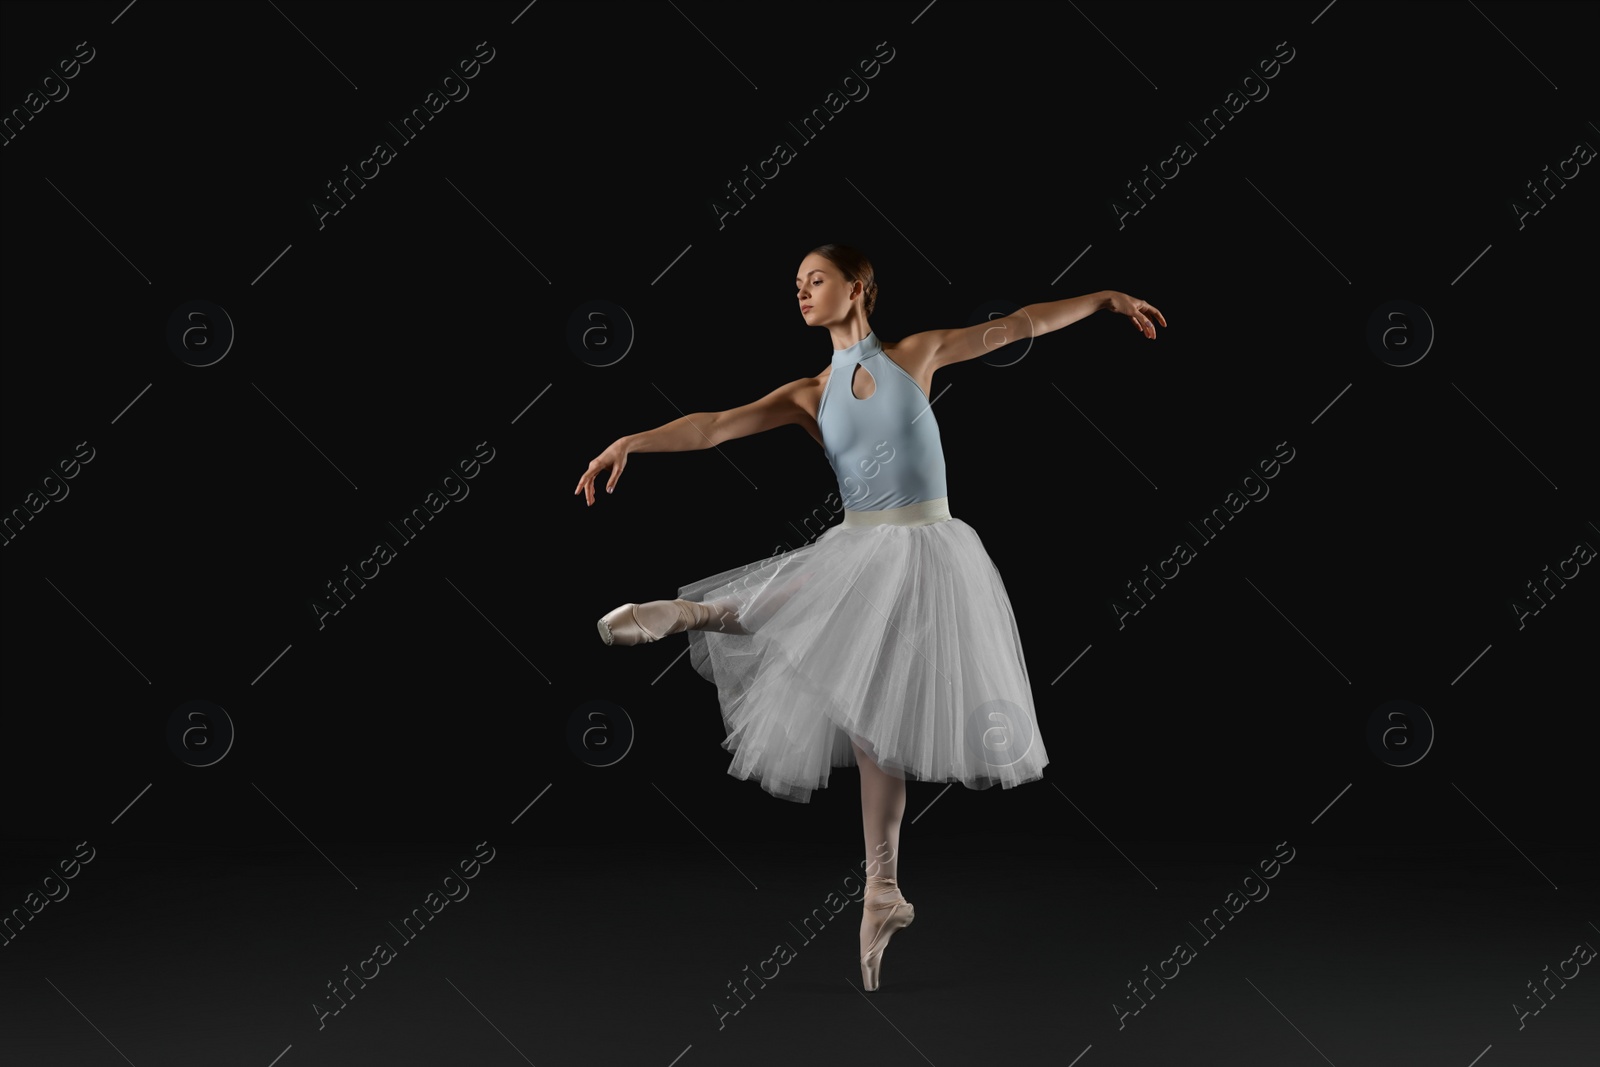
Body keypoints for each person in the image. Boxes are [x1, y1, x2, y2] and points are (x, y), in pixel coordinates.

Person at [574, 243, 1165, 990]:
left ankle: (880, 887)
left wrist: (1106, 298)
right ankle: (689, 612)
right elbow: (715, 425)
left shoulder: (916, 356)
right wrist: (634, 440)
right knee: (844, 662)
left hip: (929, 546)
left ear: (857, 287)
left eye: (814, 279)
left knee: (871, 713)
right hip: (861, 544)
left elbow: (1022, 325)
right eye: (794, 284)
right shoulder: (806, 393)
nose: (801, 292)